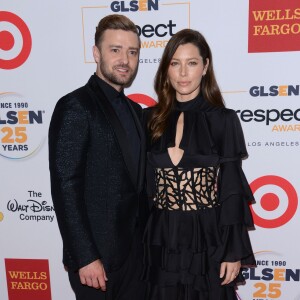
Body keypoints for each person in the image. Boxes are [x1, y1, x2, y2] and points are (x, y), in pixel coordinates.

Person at [142, 29, 256, 299]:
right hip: (160, 237)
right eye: (175, 63)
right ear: (166, 69)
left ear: (205, 66)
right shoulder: (148, 119)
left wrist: (232, 251)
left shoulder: (224, 120)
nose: (183, 73)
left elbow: (231, 189)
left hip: (207, 237)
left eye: (192, 63)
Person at [49, 14, 147, 300]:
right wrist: (85, 256)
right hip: (96, 262)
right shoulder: (75, 106)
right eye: (114, 50)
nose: (124, 60)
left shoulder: (136, 111)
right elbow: (65, 186)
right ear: (96, 53)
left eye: (132, 52)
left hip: (135, 259)